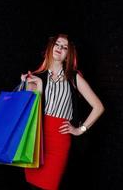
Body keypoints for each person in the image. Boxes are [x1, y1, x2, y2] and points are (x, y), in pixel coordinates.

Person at [20, 34, 105, 190]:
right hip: (36, 139)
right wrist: (31, 85)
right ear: (50, 48)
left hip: (59, 141)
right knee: (32, 185)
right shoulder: (38, 77)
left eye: (64, 47)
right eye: (57, 44)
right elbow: (29, 111)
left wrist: (80, 129)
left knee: (50, 185)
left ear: (68, 55)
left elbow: (98, 107)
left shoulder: (73, 77)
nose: (59, 48)